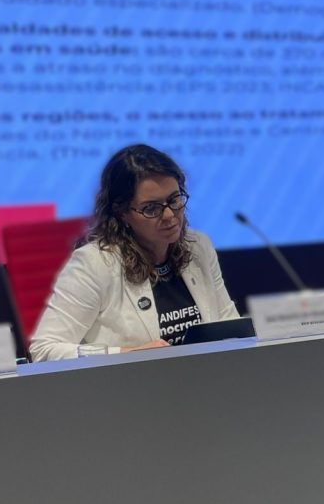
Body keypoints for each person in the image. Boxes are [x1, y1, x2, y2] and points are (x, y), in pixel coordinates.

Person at [30, 144, 239, 361]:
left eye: (174, 199)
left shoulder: (198, 247)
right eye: (151, 208)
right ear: (122, 212)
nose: (169, 215)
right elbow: (44, 350)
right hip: (132, 381)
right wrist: (128, 355)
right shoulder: (94, 264)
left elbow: (231, 328)